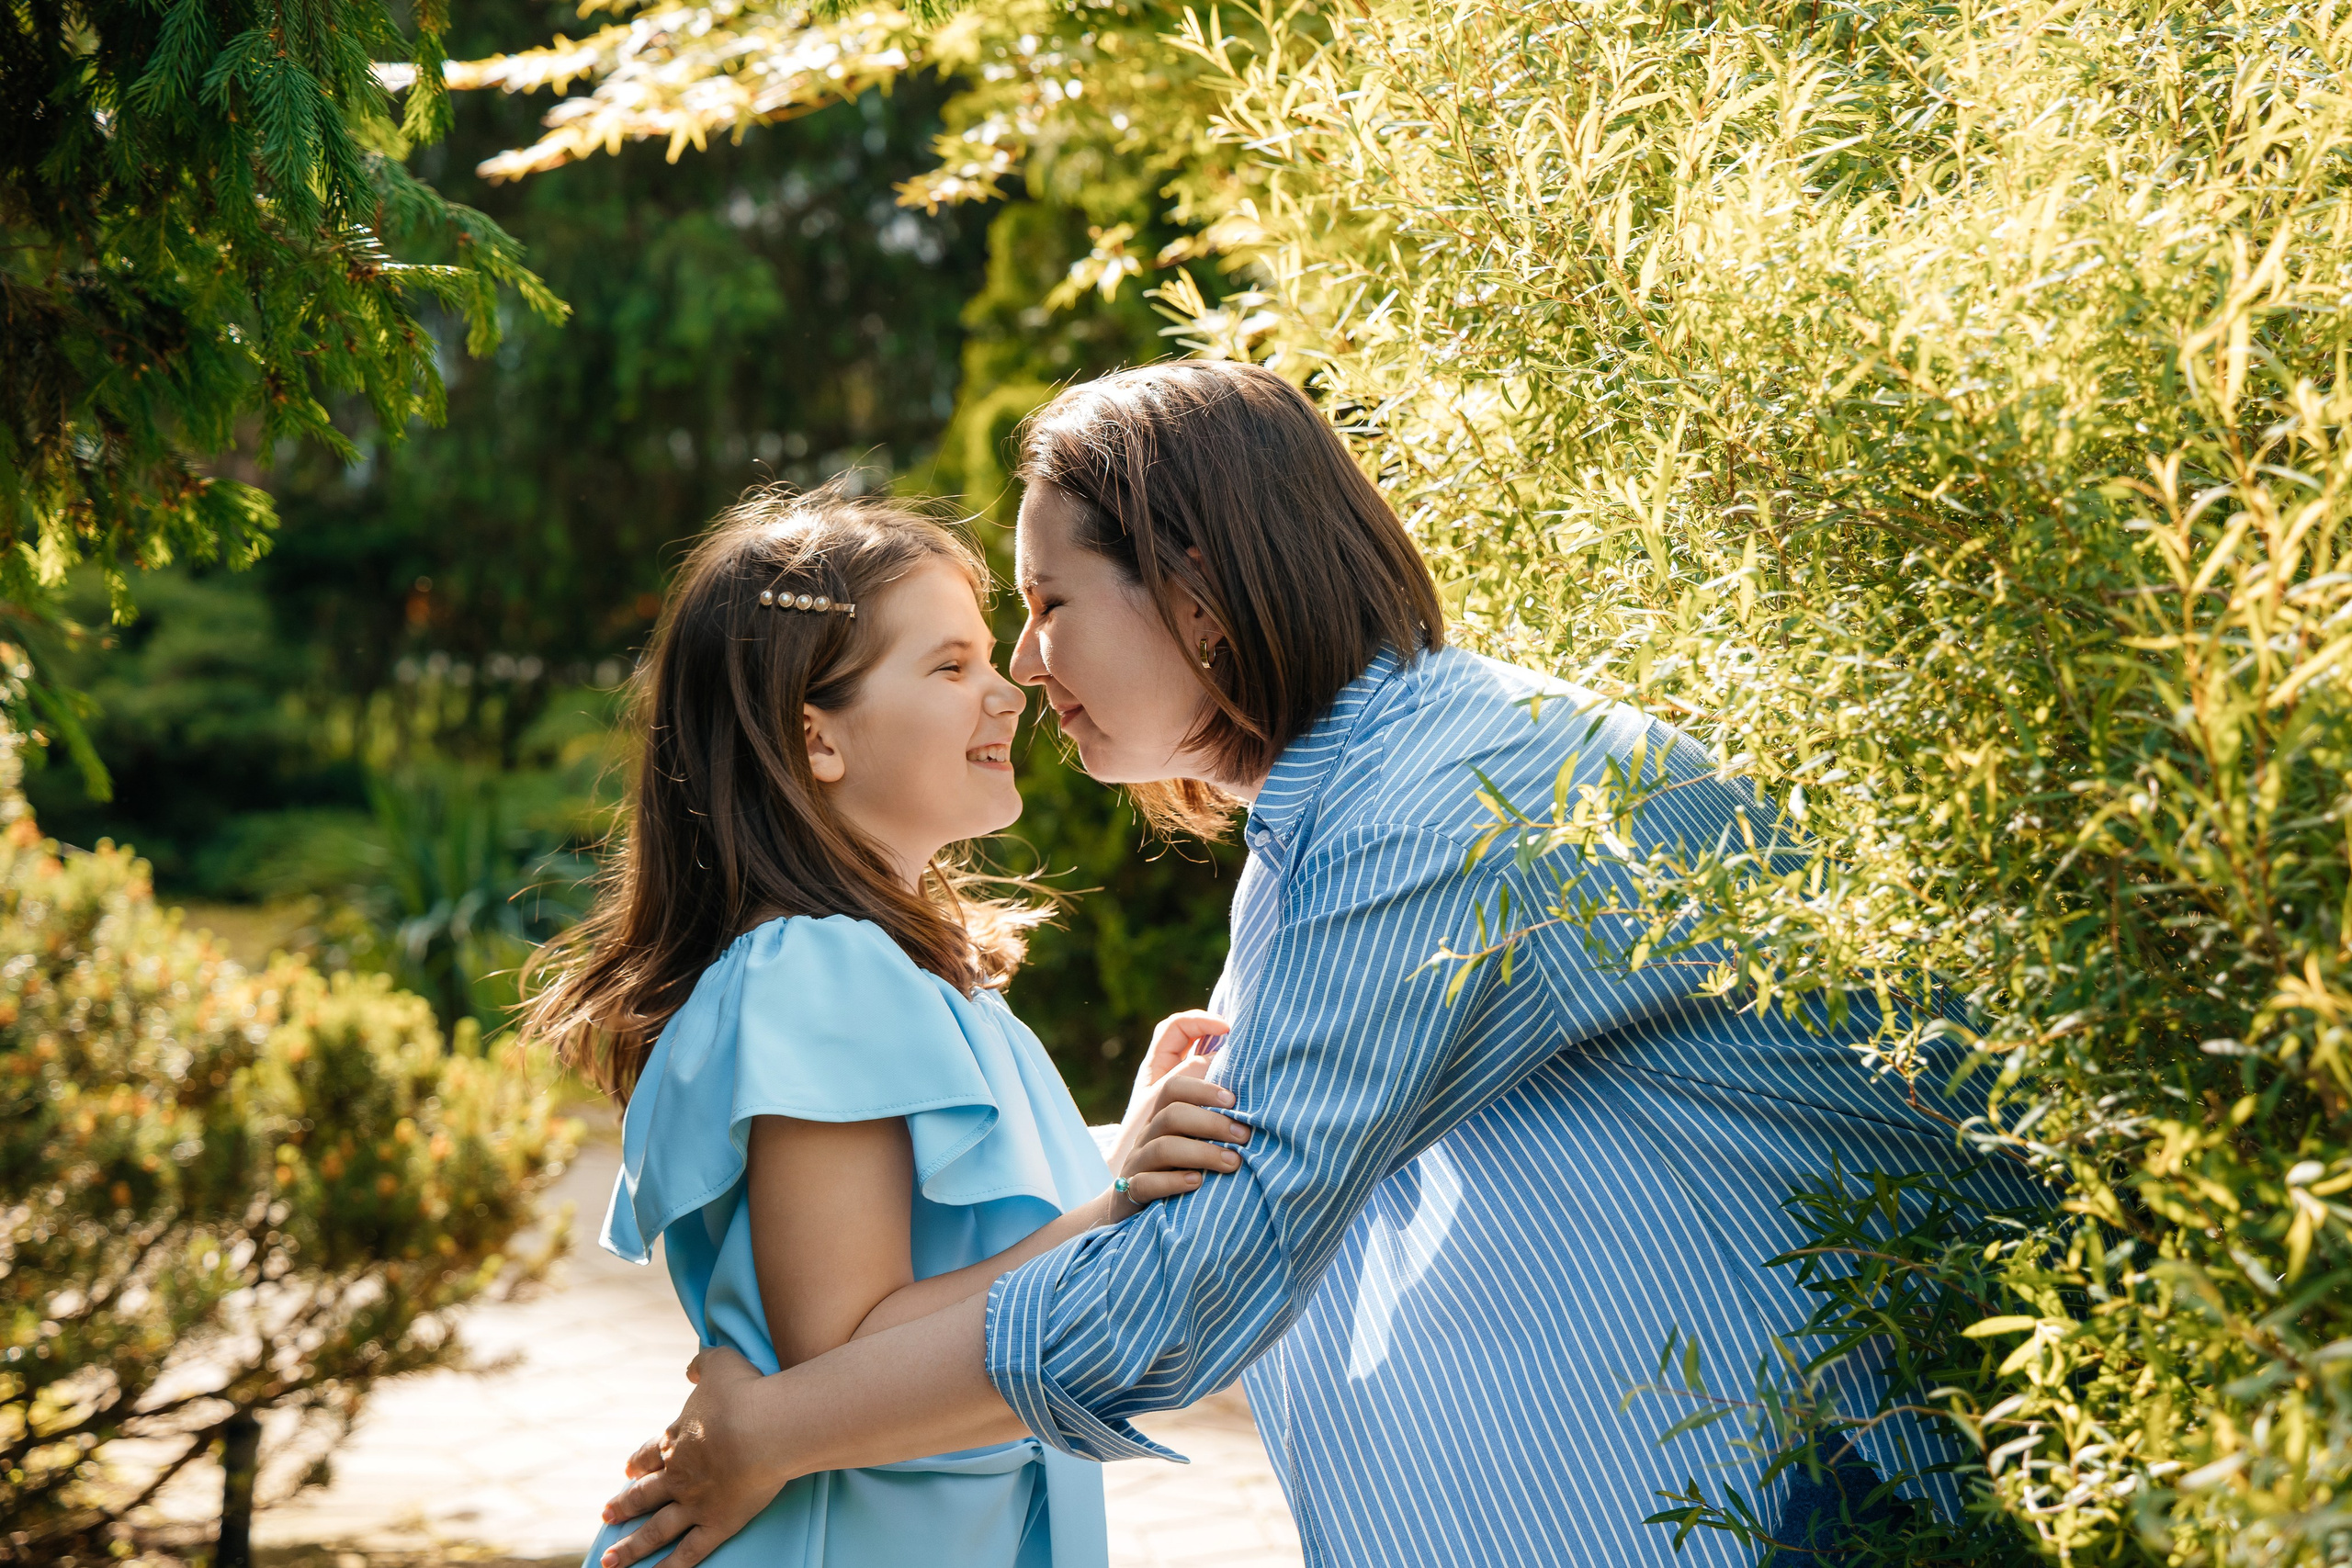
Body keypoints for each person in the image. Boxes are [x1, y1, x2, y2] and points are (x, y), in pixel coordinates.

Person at [594, 363, 2037, 1568]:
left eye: (1047, 605)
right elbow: (1168, 1207)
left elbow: (1191, 1281)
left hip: (1818, 1500)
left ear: (1198, 590)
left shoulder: (1432, 815)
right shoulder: (1330, 836)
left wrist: (772, 1427)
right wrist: (1125, 1167)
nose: (1028, 668)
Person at [518, 484, 1256, 1568]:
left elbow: (950, 1240)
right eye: (950, 667)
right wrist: (1114, 1201)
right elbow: (846, 1350)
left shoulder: (889, 972)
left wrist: (1119, 1144)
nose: (1008, 696)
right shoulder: (819, 971)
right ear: (814, 737)